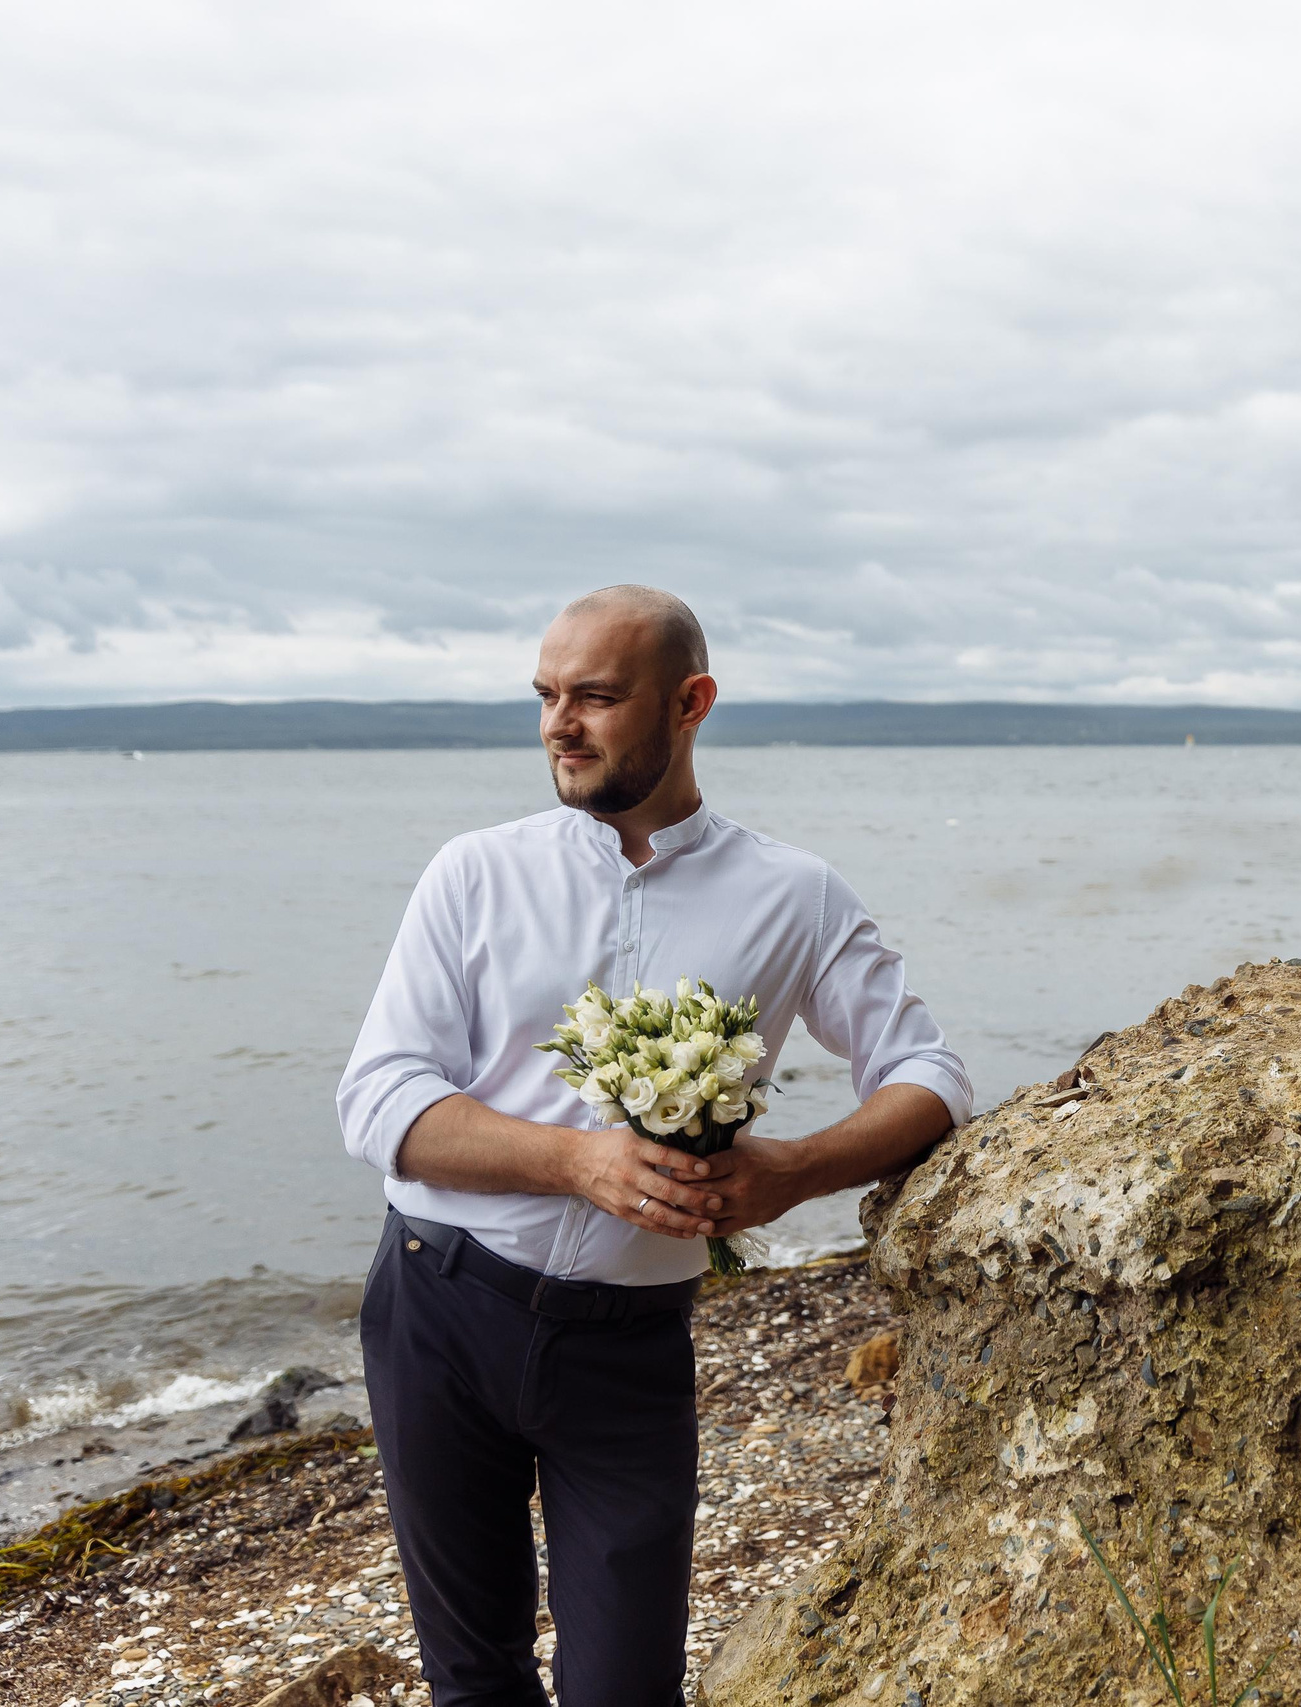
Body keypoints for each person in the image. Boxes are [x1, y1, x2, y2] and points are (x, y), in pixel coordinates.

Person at [337, 585, 968, 1706]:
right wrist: (575, 1160)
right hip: (439, 1315)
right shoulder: (474, 873)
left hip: (627, 1351)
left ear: (690, 702)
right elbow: (379, 1100)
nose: (557, 725)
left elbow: (932, 1079)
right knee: (472, 1680)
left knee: (627, 1690)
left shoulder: (794, 895)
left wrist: (793, 1173)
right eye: (544, 696)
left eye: (594, 696)